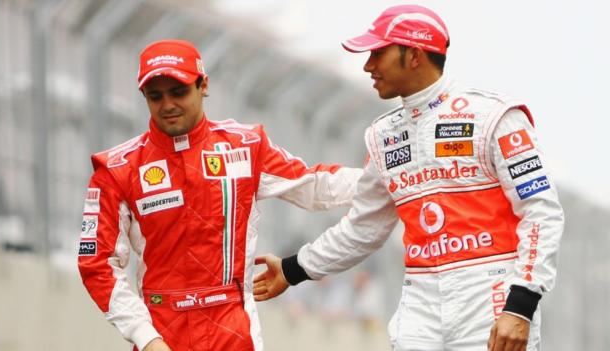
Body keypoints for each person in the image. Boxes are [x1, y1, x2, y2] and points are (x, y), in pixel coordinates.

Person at [253, 5, 564, 351]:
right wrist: (295, 268)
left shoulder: (493, 118)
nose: (369, 65)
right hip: (421, 300)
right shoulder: (383, 135)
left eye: (378, 53)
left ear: (413, 54)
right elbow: (363, 227)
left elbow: (541, 213)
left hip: (489, 296)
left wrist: (520, 306)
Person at [77, 39, 361, 351]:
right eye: (155, 96)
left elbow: (314, 185)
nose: (168, 104)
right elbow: (97, 264)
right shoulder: (118, 168)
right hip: (162, 335)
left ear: (204, 86)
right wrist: (147, 338)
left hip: (234, 332)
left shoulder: (245, 146)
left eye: (179, 92)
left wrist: (385, 179)